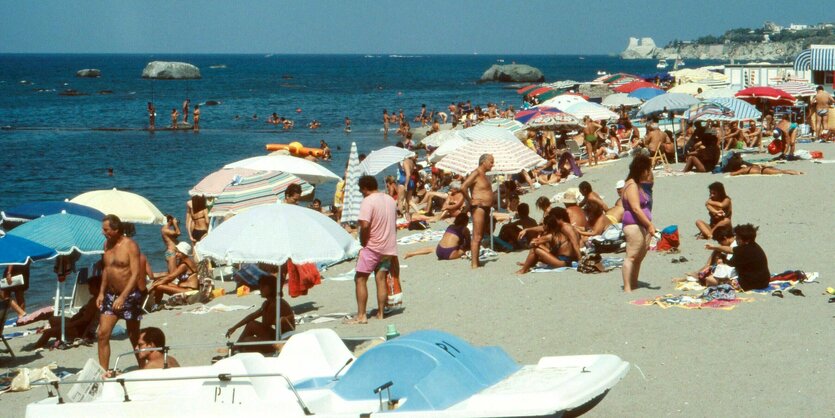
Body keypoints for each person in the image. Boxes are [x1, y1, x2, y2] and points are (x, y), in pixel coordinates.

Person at [347, 176, 399, 324]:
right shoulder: (389, 199)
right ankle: (381, 313)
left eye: (360, 190)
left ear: (364, 188)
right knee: (380, 278)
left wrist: (363, 241)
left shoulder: (368, 201)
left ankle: (362, 315)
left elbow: (364, 225)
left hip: (373, 246)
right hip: (388, 247)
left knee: (360, 279)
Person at [98, 214, 144, 375]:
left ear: (116, 229)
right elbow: (107, 270)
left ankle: (143, 367)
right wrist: (101, 293)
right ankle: (104, 372)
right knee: (102, 334)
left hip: (130, 295)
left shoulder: (130, 245)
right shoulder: (106, 245)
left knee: (133, 335)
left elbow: (136, 273)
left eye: (106, 229)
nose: (103, 232)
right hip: (110, 295)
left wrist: (123, 296)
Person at [23, 275, 101, 351]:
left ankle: (37, 346)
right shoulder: (94, 299)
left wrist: (67, 325)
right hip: (77, 325)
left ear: (98, 288)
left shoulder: (94, 302)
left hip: (79, 331)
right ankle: (59, 334)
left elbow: (85, 320)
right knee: (52, 319)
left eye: (91, 287)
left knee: (48, 332)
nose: (89, 288)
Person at [226, 272, 294, 353]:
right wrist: (235, 327)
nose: (260, 289)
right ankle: (235, 348)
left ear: (271, 288)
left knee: (247, 341)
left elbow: (265, 324)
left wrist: (264, 310)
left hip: (282, 342)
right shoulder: (272, 302)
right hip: (277, 335)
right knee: (251, 325)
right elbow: (252, 316)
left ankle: (235, 349)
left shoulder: (275, 304)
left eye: (263, 286)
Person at [621, 155, 656, 292]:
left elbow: (651, 180)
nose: (648, 172)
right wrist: (649, 225)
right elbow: (635, 208)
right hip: (633, 224)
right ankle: (627, 287)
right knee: (631, 256)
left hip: (642, 224)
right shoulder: (631, 185)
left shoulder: (639, 184)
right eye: (647, 169)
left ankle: (634, 283)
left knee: (639, 257)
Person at [707, 224, 770, 291]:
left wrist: (723, 259)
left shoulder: (744, 251)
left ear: (746, 240)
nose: (736, 240)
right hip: (764, 281)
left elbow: (731, 263)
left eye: (738, 238)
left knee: (710, 280)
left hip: (753, 284)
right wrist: (714, 247)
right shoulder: (754, 246)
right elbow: (730, 250)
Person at [461, 154, 494, 269]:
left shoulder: (483, 175)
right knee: (477, 236)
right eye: (491, 162)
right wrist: (471, 201)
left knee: (480, 235)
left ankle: (477, 261)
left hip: (485, 207)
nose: (492, 164)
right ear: (483, 162)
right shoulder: (476, 173)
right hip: (478, 208)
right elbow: (463, 187)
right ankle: (474, 264)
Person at [149, 242, 199, 306]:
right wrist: (157, 281)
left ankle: (155, 304)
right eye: (176, 252)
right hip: (183, 288)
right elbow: (171, 275)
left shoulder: (184, 265)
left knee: (159, 286)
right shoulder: (184, 261)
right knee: (158, 282)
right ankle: (155, 302)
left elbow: (171, 277)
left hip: (189, 291)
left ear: (183, 253)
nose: (176, 254)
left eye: (178, 252)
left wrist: (154, 285)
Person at [404, 213, 471, 260]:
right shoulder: (465, 229)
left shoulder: (450, 226)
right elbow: (468, 244)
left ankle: (411, 253)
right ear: (465, 222)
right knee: (465, 249)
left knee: (431, 249)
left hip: (439, 251)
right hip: (450, 254)